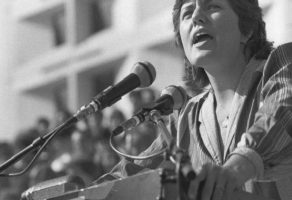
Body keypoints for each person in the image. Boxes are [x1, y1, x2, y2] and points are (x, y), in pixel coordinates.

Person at [95, 0, 292, 199]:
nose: (197, 16)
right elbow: (126, 178)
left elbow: (282, 110)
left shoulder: (283, 64)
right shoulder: (185, 119)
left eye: (213, 6)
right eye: (187, 13)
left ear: (247, 29)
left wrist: (236, 169)